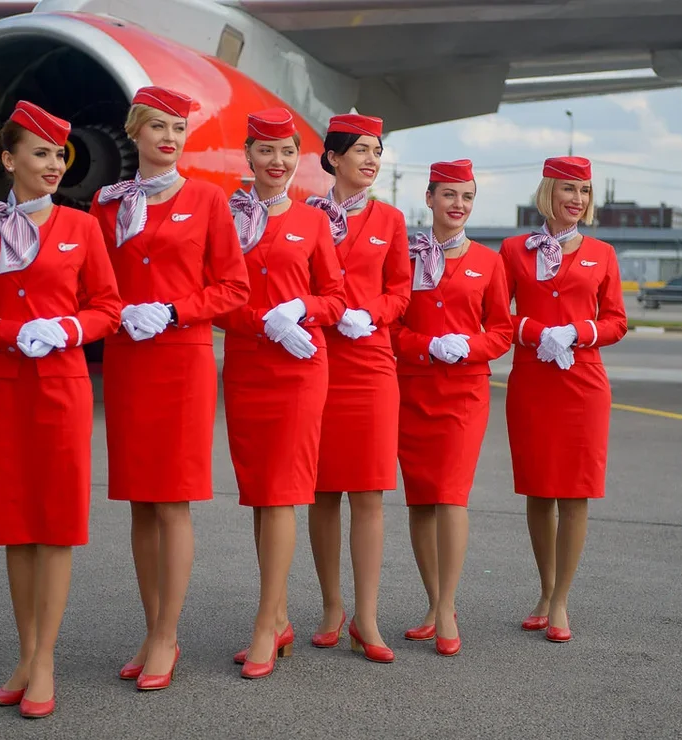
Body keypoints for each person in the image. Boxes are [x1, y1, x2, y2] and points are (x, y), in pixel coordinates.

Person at [0, 100, 122, 718]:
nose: (52, 165)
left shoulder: (82, 228)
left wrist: (69, 328)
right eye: (39, 153)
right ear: (8, 158)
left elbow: (107, 307)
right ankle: (26, 654)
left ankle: (44, 660)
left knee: (55, 524)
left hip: (60, 386)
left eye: (58, 155)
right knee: (15, 523)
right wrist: (0, 331)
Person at [90, 86, 250, 690]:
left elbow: (233, 288)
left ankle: (166, 635)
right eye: (158, 126)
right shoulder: (107, 205)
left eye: (179, 128)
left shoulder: (207, 199)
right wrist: (117, 313)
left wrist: (176, 310)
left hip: (182, 360)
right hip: (129, 359)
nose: (169, 138)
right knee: (139, 499)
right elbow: (94, 286)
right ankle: (150, 626)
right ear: (134, 131)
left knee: (172, 500)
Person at [217, 107, 347, 679]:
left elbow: (336, 299)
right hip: (248, 366)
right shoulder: (226, 219)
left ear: (299, 159)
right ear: (248, 155)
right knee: (259, 494)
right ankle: (281, 615)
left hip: (298, 368)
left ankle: (266, 626)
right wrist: (259, 321)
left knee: (282, 493)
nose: (277, 162)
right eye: (266, 151)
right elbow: (215, 297)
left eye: (288, 152)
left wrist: (301, 308)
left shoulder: (314, 222)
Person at [498, 156, 627, 643]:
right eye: (569, 188)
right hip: (533, 382)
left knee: (575, 493)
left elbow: (616, 321)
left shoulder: (602, 253)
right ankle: (545, 590)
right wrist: (535, 331)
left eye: (585, 190)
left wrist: (578, 331)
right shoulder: (513, 250)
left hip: (582, 382)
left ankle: (560, 602)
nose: (577, 199)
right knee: (538, 490)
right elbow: (496, 316)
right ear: (548, 192)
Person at [391, 160, 512, 656]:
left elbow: (501, 331)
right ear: (429, 198)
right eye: (449, 195)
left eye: (467, 197)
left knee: (451, 495)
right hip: (413, 388)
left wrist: (468, 346)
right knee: (421, 500)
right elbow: (391, 326)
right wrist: (426, 346)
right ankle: (432, 603)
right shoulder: (405, 257)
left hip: (464, 393)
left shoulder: (489, 261)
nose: (458, 205)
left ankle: (446, 608)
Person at [306, 113, 411, 663]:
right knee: (322, 492)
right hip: (316, 360)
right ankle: (331, 607)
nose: (372, 160)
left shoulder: (391, 219)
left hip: (370, 364)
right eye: (362, 150)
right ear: (334, 157)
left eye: (377, 151)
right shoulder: (303, 215)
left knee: (369, 493)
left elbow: (401, 293)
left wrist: (370, 315)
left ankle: (366, 617)